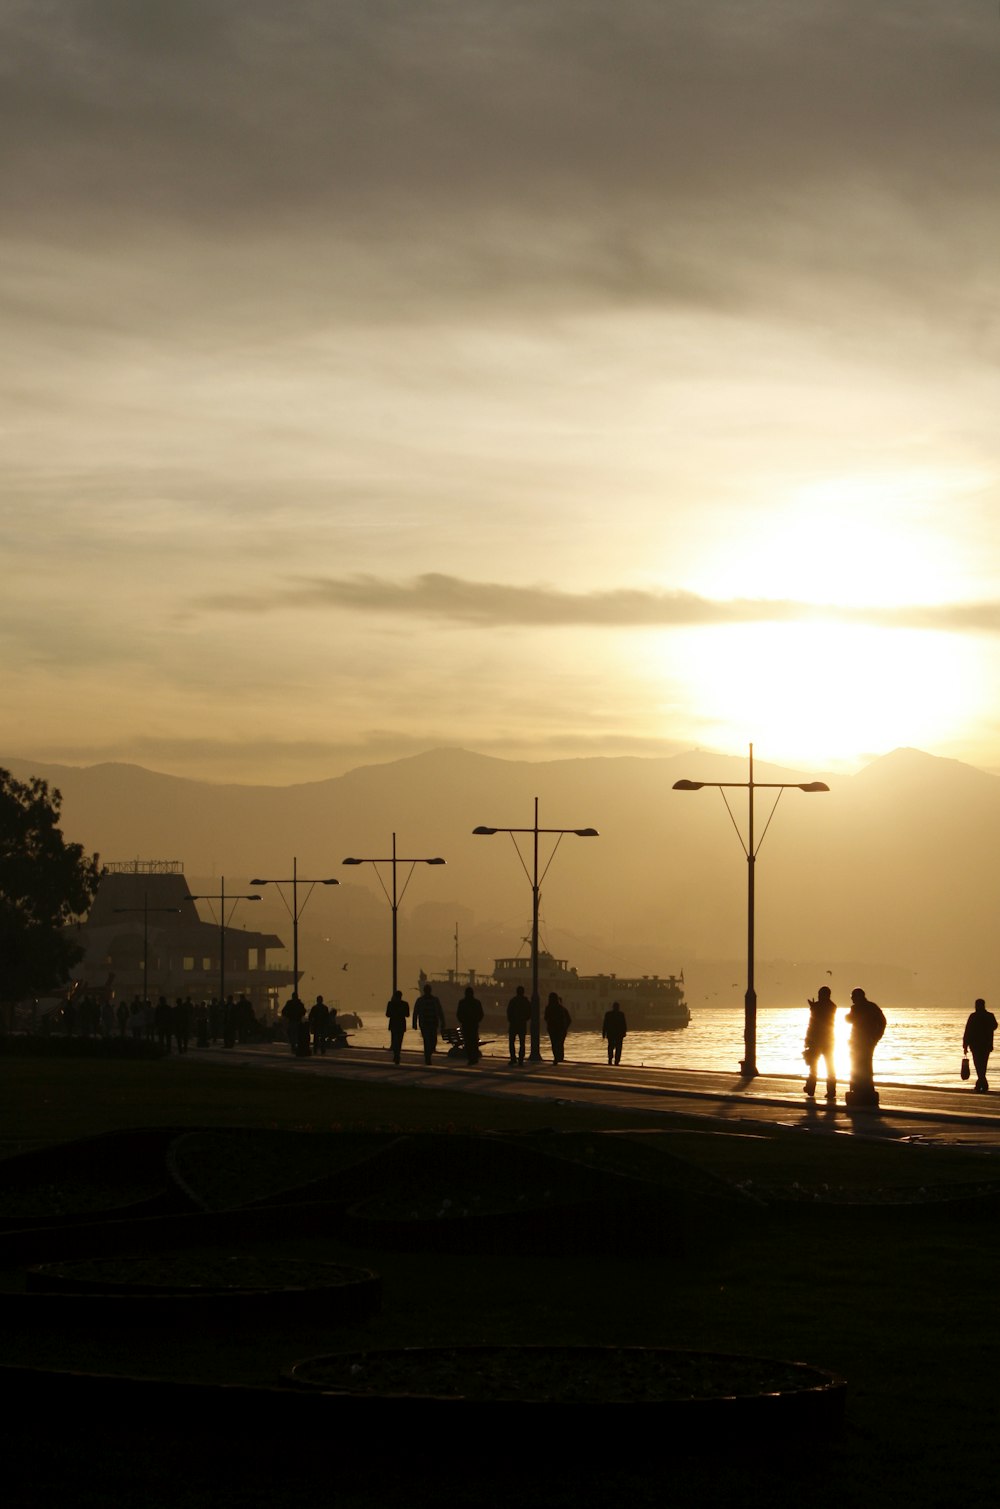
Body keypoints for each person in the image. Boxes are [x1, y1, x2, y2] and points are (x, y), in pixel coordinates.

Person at [845, 987, 886, 1109]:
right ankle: (864, 1089)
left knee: (859, 1066)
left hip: (862, 1042)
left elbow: (848, 1019)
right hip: (864, 1042)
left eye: (853, 996)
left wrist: (876, 1037)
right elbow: (882, 1022)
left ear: (858, 996)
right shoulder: (872, 1007)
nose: (851, 998)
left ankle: (859, 1089)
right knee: (864, 1066)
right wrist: (876, 1037)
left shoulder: (858, 1008)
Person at [803, 986, 837, 1100]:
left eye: (820, 994)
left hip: (818, 1040)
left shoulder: (822, 1007)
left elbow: (813, 1023)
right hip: (828, 1040)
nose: (818, 996)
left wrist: (813, 1008)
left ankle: (811, 1087)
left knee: (815, 1065)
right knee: (828, 1065)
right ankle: (830, 1090)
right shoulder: (832, 1006)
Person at [963, 997, 998, 1093]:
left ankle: (982, 1083)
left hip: (976, 1045)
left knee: (978, 1064)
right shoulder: (989, 1016)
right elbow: (995, 1026)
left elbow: (968, 1031)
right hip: (986, 1045)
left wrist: (965, 1045)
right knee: (982, 1064)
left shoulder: (973, 1016)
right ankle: (981, 1083)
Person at [413, 982, 446, 1064]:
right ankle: (427, 1057)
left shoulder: (435, 1000)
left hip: (433, 1024)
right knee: (426, 1041)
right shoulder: (420, 1000)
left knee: (433, 1041)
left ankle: (429, 1053)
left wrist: (443, 1021)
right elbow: (415, 1012)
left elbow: (440, 1011)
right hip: (425, 1024)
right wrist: (414, 1023)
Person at [456, 985, 484, 1065]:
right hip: (473, 1025)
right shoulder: (476, 1002)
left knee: (468, 1042)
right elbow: (481, 1014)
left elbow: (459, 1014)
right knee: (474, 1042)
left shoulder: (462, 1003)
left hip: (466, 1025)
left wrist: (462, 1021)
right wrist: (477, 1021)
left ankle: (470, 1058)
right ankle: (474, 1058)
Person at [507, 985, 531, 1066]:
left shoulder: (513, 1001)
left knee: (511, 1042)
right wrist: (524, 1019)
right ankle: (521, 1059)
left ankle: (513, 1058)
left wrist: (511, 1020)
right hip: (522, 1024)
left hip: (513, 1024)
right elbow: (529, 1012)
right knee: (522, 1042)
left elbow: (509, 1012)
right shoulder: (526, 1001)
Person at [544, 991, 571, 1064]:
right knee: (560, 1043)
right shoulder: (561, 1008)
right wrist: (565, 1027)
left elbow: (546, 1018)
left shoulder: (548, 1008)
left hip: (552, 1028)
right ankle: (560, 1057)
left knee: (554, 1043)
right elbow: (568, 1019)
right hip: (560, 1029)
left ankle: (556, 1057)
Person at [385, 990, 409, 1064]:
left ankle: (396, 1054)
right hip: (401, 1024)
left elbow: (387, 1014)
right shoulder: (405, 1004)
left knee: (394, 1040)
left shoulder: (390, 1004)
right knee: (399, 1040)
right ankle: (397, 1054)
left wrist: (394, 1014)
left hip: (393, 1024)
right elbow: (407, 1014)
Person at [602, 1001, 627, 1065]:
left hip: (611, 1033)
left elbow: (605, 1024)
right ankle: (616, 1061)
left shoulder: (608, 1014)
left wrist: (604, 1033)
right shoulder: (621, 1014)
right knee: (618, 1048)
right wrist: (624, 1032)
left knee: (611, 1047)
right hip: (618, 1034)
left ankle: (610, 1059)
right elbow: (624, 1024)